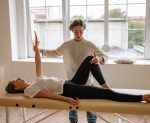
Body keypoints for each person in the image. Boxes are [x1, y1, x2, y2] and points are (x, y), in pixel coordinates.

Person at [5, 34, 150, 108]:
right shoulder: (29, 91)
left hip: (70, 83)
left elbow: (38, 63)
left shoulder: (33, 83)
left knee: (89, 59)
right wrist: (67, 99)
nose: (17, 77)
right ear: (16, 87)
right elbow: (48, 95)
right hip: (69, 91)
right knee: (106, 95)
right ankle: (143, 97)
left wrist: (37, 49)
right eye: (15, 80)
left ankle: (104, 84)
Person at [39, 19, 109, 123]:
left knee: (89, 105)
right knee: (71, 103)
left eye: (81, 31)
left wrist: (99, 59)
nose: (79, 34)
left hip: (87, 82)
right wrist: (40, 50)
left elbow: (105, 56)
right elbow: (54, 53)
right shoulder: (67, 45)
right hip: (72, 81)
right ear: (72, 30)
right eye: (76, 31)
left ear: (84, 30)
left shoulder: (89, 44)